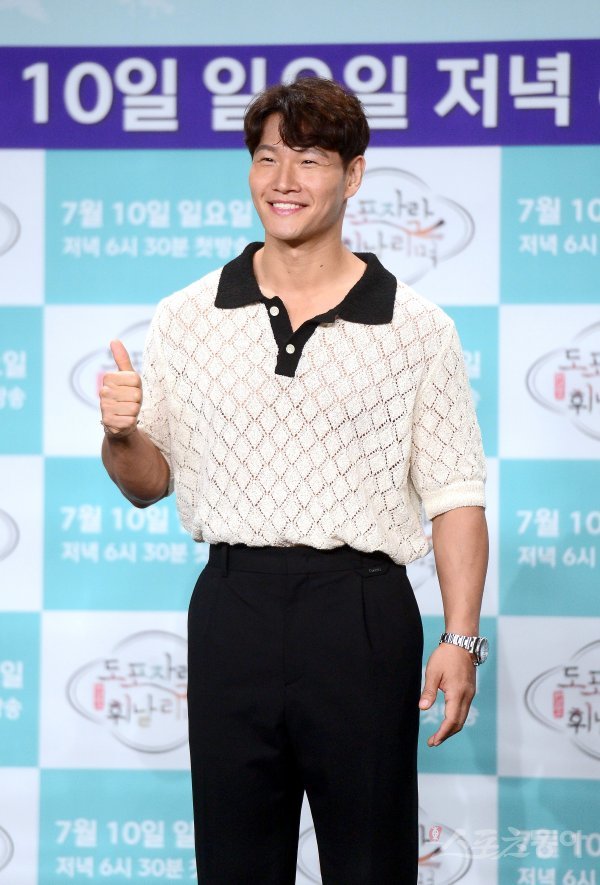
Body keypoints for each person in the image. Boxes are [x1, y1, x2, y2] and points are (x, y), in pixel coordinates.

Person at [100, 77, 488, 885]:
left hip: (362, 612)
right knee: (235, 862)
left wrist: (460, 639)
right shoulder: (187, 314)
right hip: (232, 606)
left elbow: (455, 494)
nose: (284, 180)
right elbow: (147, 483)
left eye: (309, 159)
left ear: (352, 175)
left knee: (371, 862)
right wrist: (121, 434)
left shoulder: (418, 327)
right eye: (268, 157)